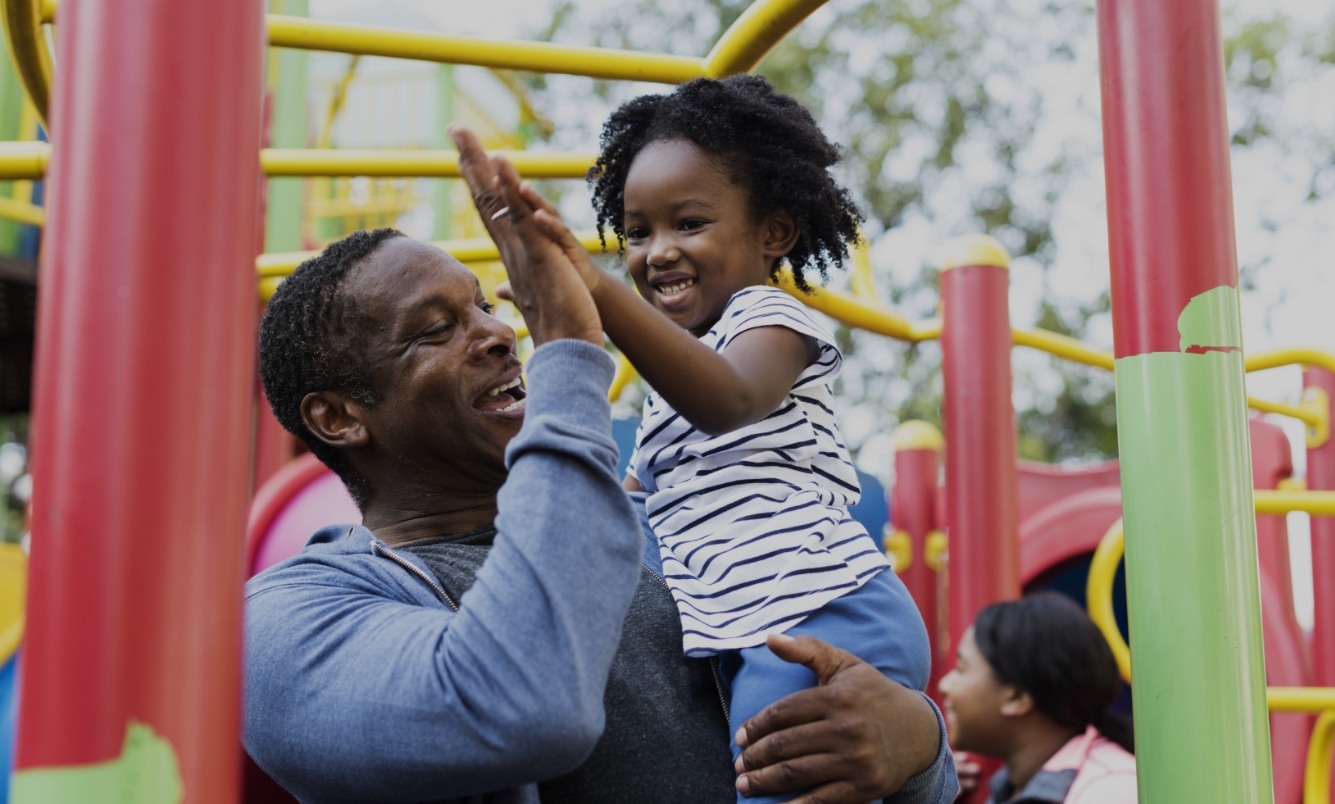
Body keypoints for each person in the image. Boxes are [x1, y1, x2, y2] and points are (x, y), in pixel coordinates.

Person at [242, 124, 959, 803]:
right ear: (338, 417)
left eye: (488, 305)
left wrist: (917, 747)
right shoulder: (290, 622)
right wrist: (569, 352)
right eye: (436, 330)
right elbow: (527, 705)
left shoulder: (661, 529)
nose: (498, 333)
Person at [500, 74, 932, 804]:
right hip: (749, 629)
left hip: (820, 612)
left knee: (776, 781)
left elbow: (727, 401)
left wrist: (596, 292)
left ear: (774, 234)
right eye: (637, 233)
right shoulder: (666, 395)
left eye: (689, 223)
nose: (657, 251)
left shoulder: (771, 321)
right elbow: (626, 513)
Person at [937, 593, 1137, 804]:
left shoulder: (1108, 790)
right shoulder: (1014, 786)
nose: (944, 685)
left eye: (961, 669)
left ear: (1018, 697)